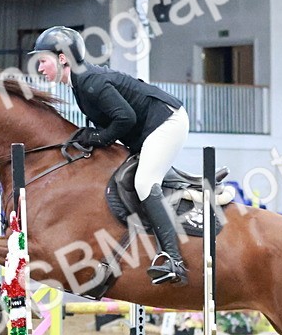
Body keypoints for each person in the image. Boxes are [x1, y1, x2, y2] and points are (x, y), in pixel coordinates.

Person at [30, 26, 191, 286]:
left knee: (144, 182)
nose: (39, 69)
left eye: (43, 61)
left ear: (62, 59)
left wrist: (98, 138)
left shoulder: (90, 82)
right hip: (148, 127)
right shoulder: (79, 83)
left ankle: (174, 261)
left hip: (167, 121)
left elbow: (125, 118)